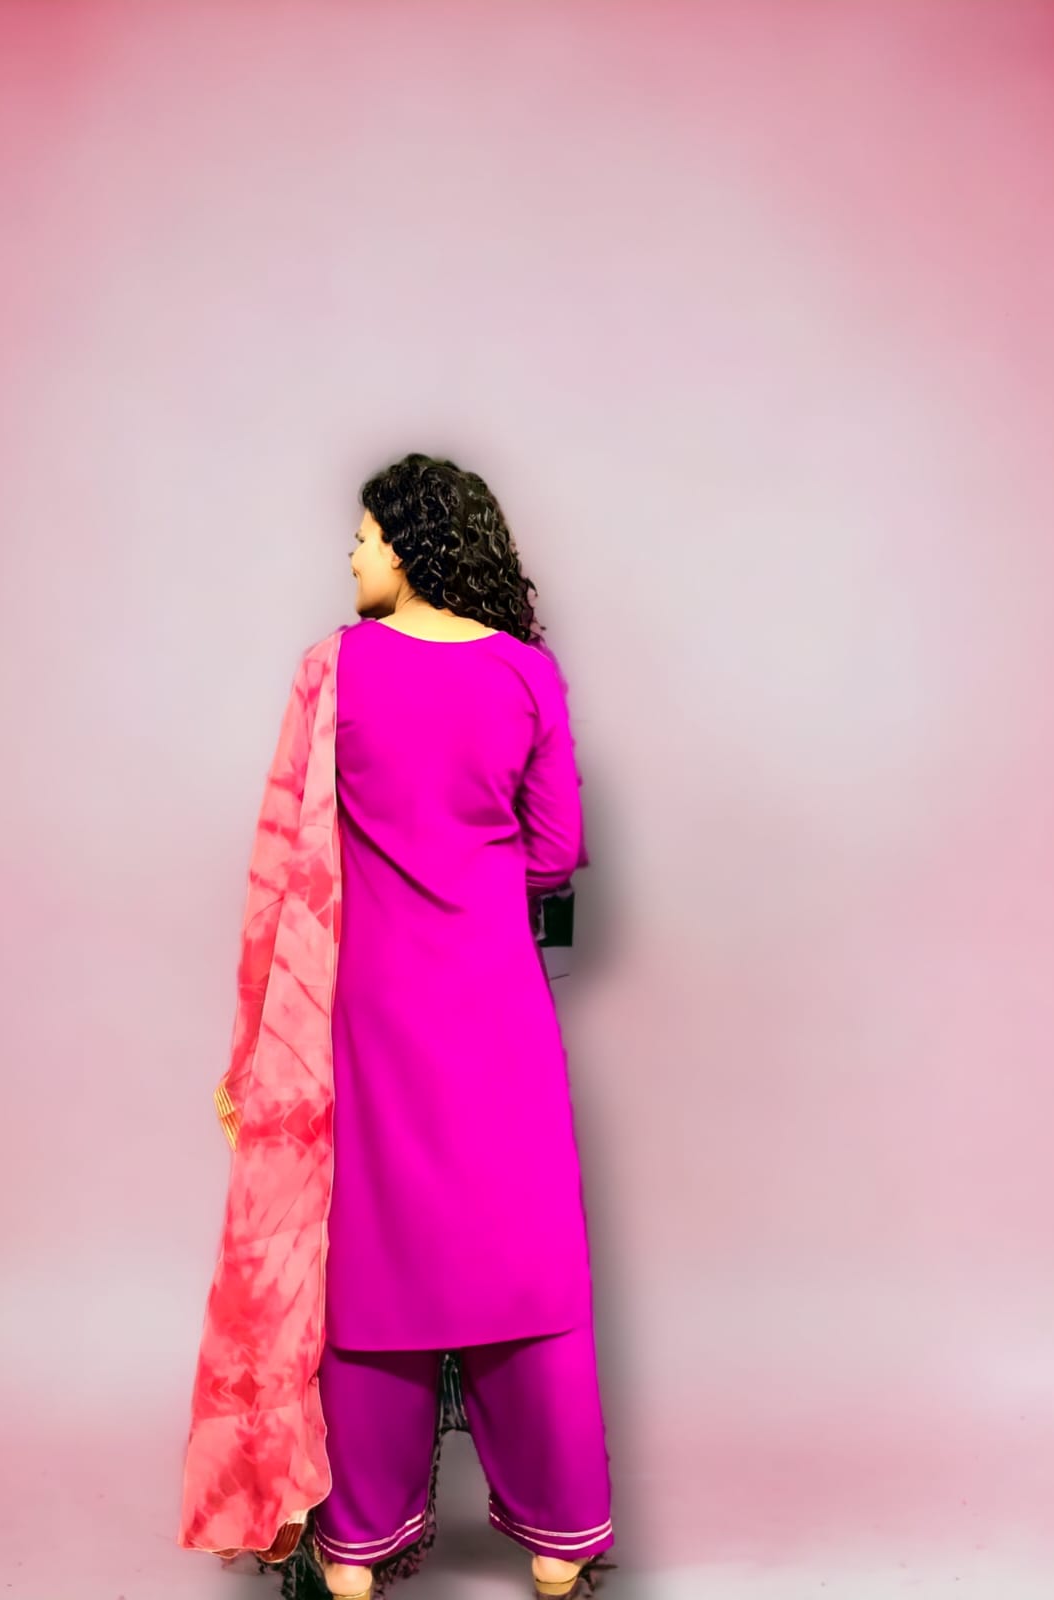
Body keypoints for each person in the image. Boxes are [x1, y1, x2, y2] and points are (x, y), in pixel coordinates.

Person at [302, 454, 616, 1599]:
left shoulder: (334, 668)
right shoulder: (527, 674)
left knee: (376, 1251)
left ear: (409, 546)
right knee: (523, 1252)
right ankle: (557, 1540)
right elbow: (554, 851)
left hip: (374, 1000)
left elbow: (297, 844)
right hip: (496, 997)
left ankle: (357, 1544)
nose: (351, 555)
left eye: (365, 536)